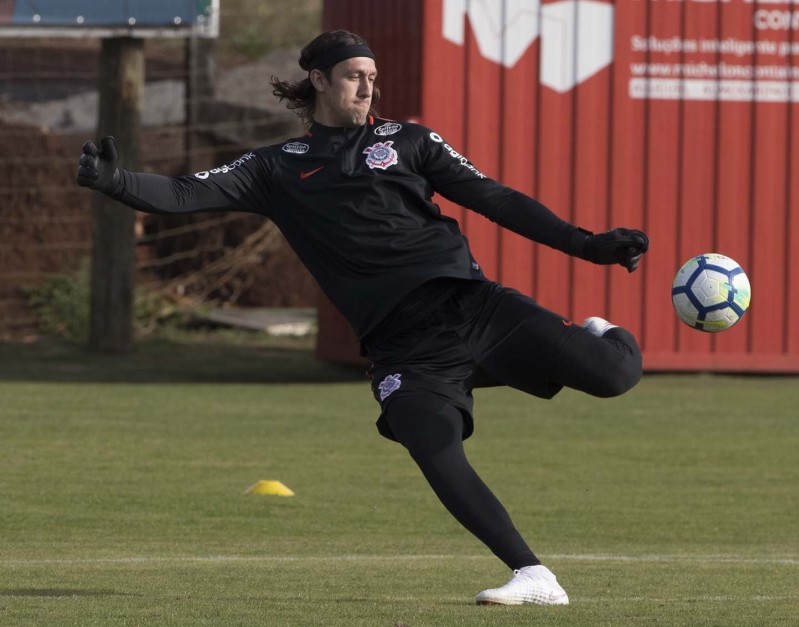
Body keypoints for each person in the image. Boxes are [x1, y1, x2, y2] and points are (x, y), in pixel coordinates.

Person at [77, 29, 648, 606]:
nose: (368, 88)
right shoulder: (276, 167)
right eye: (355, 76)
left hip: (472, 306)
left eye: (373, 78)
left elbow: (494, 198)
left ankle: (600, 332)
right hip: (403, 346)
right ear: (319, 81)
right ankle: (534, 576)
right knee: (431, 442)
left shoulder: (411, 141)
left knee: (614, 376)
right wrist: (113, 181)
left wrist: (587, 245)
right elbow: (183, 192)